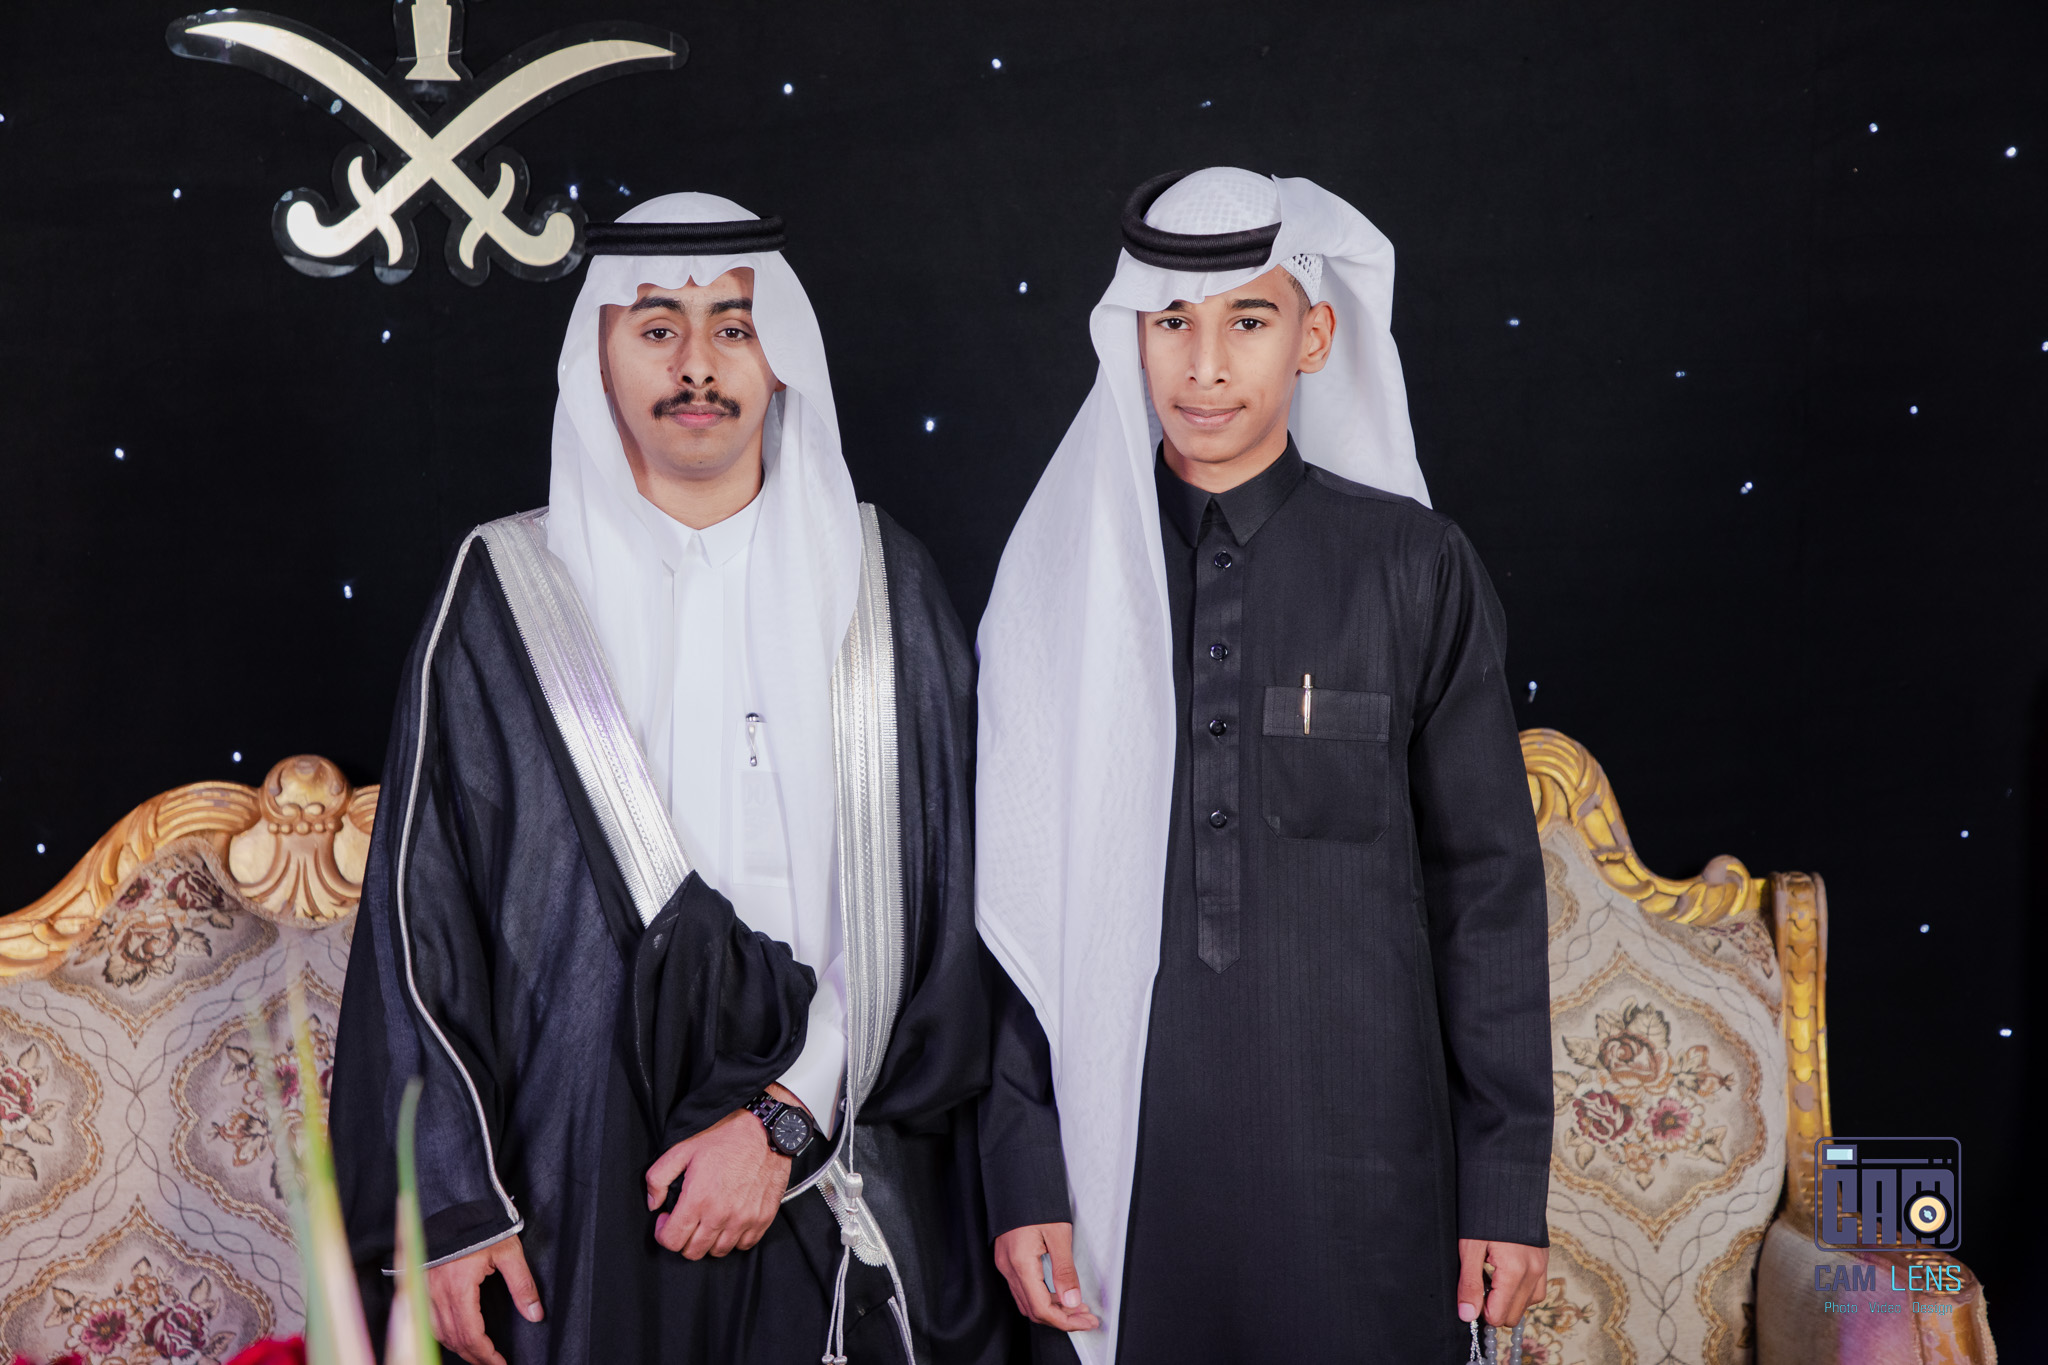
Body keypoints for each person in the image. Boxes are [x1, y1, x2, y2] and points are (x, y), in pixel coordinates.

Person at [333, 193, 1013, 1365]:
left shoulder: (879, 585)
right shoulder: (506, 591)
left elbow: (951, 907)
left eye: (732, 328)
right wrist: (452, 1207)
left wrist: (785, 1118)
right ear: (599, 355)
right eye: (656, 328)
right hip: (579, 1184)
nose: (697, 365)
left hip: (837, 1158)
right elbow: (418, 918)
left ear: (780, 354)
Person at [973, 167, 1554, 1363]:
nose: (1203, 366)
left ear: (1313, 337)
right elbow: (1013, 907)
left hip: (1367, 1180)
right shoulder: (1061, 588)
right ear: (1129, 337)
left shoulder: (1412, 565)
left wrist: (1502, 1185)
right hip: (1122, 1172)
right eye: (1170, 323)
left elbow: (1486, 892)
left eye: (1246, 320)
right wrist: (1024, 1171)